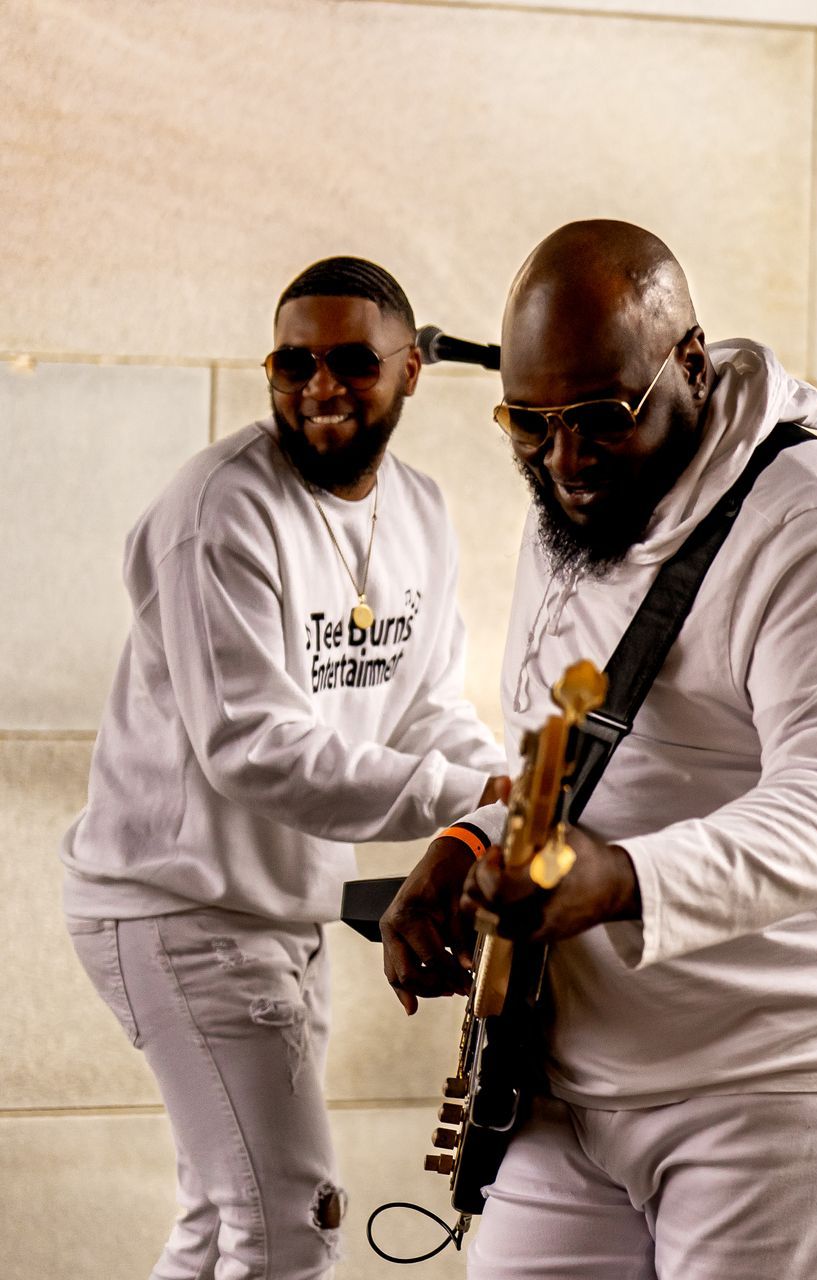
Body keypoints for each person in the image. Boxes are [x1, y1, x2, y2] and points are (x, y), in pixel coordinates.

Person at [381, 220, 817, 1279]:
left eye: (602, 418)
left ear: (691, 365)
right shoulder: (572, 512)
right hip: (576, 1065)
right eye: (530, 423)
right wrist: (469, 838)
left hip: (794, 1070)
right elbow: (563, 754)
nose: (565, 460)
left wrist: (618, 877)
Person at [60, 256, 510, 1278]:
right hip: (175, 908)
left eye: (353, 359)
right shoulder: (219, 509)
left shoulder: (423, 513)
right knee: (293, 1222)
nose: (320, 384)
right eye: (293, 360)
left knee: (225, 1220)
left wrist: (500, 798)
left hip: (277, 910)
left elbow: (428, 703)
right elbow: (250, 745)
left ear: (410, 371)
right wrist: (467, 795)